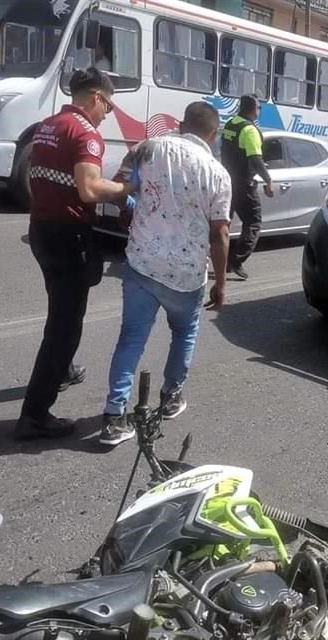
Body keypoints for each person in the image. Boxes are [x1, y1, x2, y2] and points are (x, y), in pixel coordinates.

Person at [97, 101, 232, 446]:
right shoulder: (217, 174)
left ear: (183, 124)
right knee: (184, 333)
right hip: (186, 276)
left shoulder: (148, 149)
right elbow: (220, 233)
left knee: (130, 339)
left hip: (142, 263)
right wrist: (221, 282)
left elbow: (119, 191)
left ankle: (114, 417)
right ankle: (171, 396)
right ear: (212, 134)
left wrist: (137, 208)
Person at [15, 68, 133, 440]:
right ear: (97, 97)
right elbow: (88, 187)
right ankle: (35, 414)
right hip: (68, 235)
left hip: (41, 229)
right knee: (65, 325)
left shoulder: (49, 125)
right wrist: (124, 189)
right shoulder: (85, 133)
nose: (107, 114)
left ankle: (62, 369)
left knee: (60, 306)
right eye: (109, 107)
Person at [220, 94, 274, 280]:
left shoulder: (230, 124)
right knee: (253, 222)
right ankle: (235, 260)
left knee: (223, 221)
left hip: (226, 180)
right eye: (259, 107)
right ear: (253, 109)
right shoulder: (249, 130)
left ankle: (220, 259)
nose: (259, 111)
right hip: (243, 184)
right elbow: (255, 159)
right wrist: (268, 180)